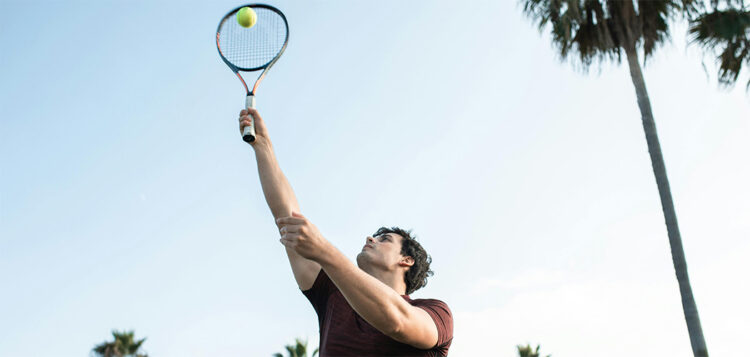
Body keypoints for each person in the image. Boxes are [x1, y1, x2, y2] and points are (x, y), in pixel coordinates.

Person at [239, 108, 453, 356]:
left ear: (406, 260)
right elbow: (286, 218)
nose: (370, 238)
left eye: (384, 239)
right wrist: (263, 146)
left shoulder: (437, 313)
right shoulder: (332, 296)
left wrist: (325, 251)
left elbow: (397, 321)